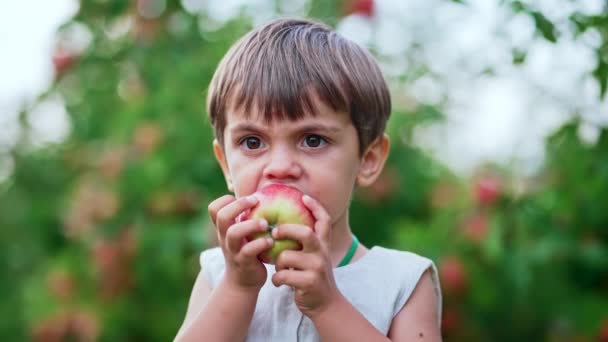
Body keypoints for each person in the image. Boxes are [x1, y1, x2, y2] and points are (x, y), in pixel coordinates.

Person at [175, 17, 442, 342]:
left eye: (313, 140)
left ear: (368, 160)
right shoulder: (218, 274)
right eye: (252, 142)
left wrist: (327, 305)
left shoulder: (401, 282)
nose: (281, 167)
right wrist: (238, 287)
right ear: (227, 165)